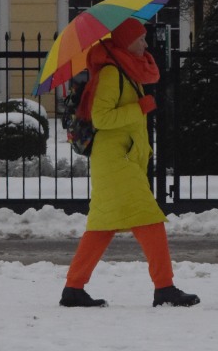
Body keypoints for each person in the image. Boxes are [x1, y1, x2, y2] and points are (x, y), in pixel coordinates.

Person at [60, 17, 200, 309]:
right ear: (126, 42)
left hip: (118, 160)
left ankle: (73, 289)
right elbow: (103, 118)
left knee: (102, 226)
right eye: (140, 39)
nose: (146, 44)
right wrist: (139, 107)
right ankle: (164, 287)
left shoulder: (127, 69)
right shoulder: (112, 73)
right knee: (150, 219)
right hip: (116, 162)